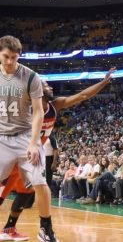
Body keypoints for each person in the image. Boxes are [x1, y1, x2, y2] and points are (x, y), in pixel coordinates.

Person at [0, 47, 115, 242]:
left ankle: (10, 229)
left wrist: (103, 83)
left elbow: (81, 96)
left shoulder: (55, 105)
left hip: (29, 158)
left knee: (27, 192)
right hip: (14, 153)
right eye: (46, 84)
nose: (50, 87)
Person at [0, 35, 58, 242]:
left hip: (25, 136)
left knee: (40, 183)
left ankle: (45, 229)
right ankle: (8, 228)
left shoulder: (31, 77)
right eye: (6, 57)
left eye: (14, 58)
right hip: (1, 137)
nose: (9, 62)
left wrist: (33, 143)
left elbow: (38, 112)